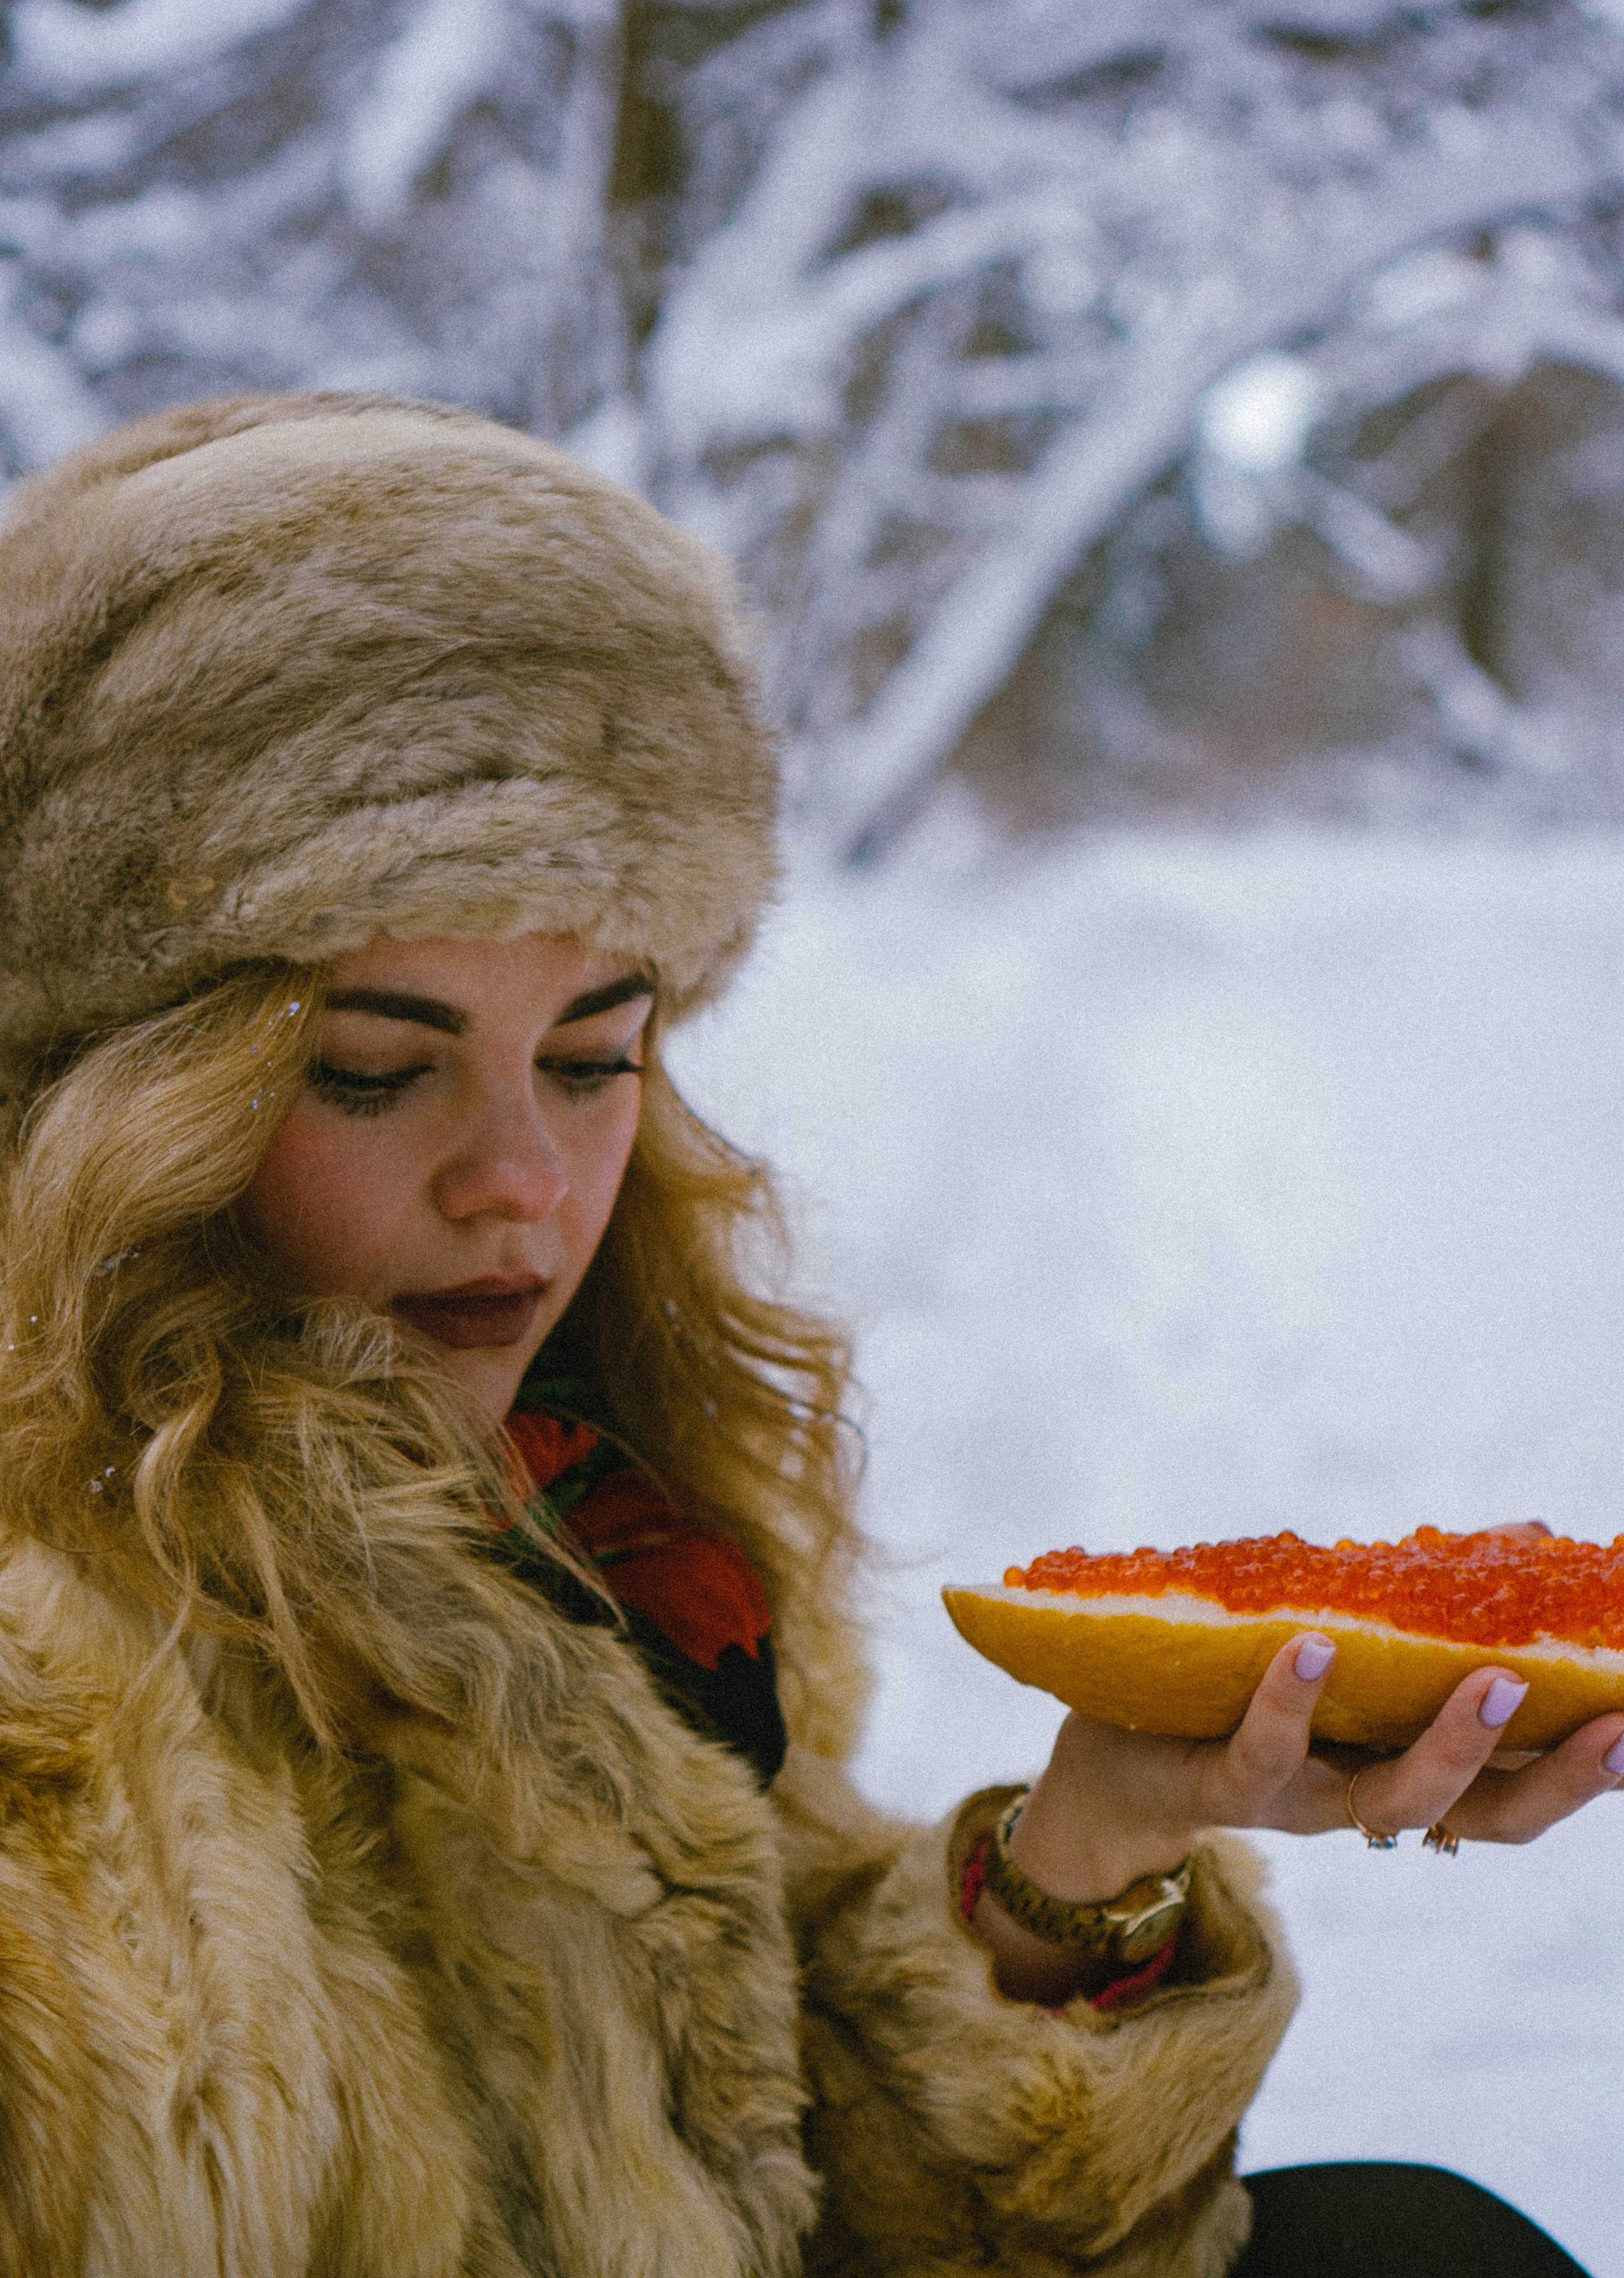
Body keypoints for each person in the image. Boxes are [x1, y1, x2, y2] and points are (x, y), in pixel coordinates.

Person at [0, 391, 1606, 2278]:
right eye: (370, 1073)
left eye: (596, 1056)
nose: (523, 1177)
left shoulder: (602, 1531)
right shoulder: (58, 1732)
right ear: (116, 1109)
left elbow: (799, 2199)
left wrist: (1087, 1856)